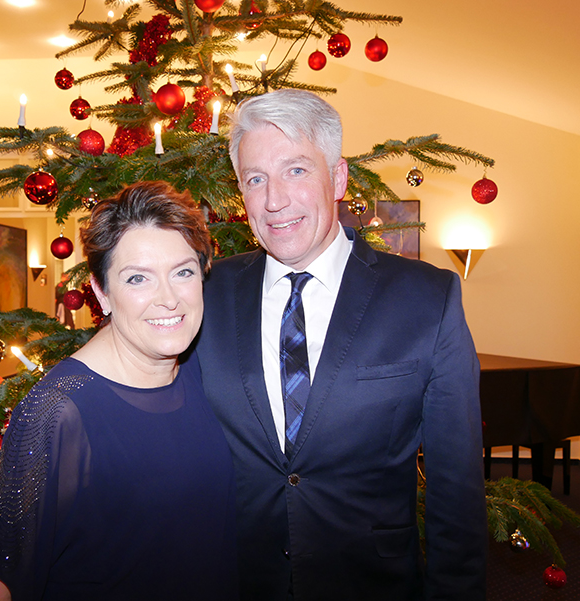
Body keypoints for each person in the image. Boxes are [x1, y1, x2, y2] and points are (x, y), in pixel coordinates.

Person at [194, 89, 487, 600]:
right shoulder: (204, 294)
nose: (274, 200)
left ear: (339, 178)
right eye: (255, 179)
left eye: (296, 170)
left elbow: (455, 483)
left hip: (373, 583)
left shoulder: (427, 298)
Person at [0, 181, 238, 601]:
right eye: (138, 278)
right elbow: (0, 584)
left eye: (183, 272)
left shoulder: (195, 370)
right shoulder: (56, 412)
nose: (169, 299)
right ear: (102, 293)